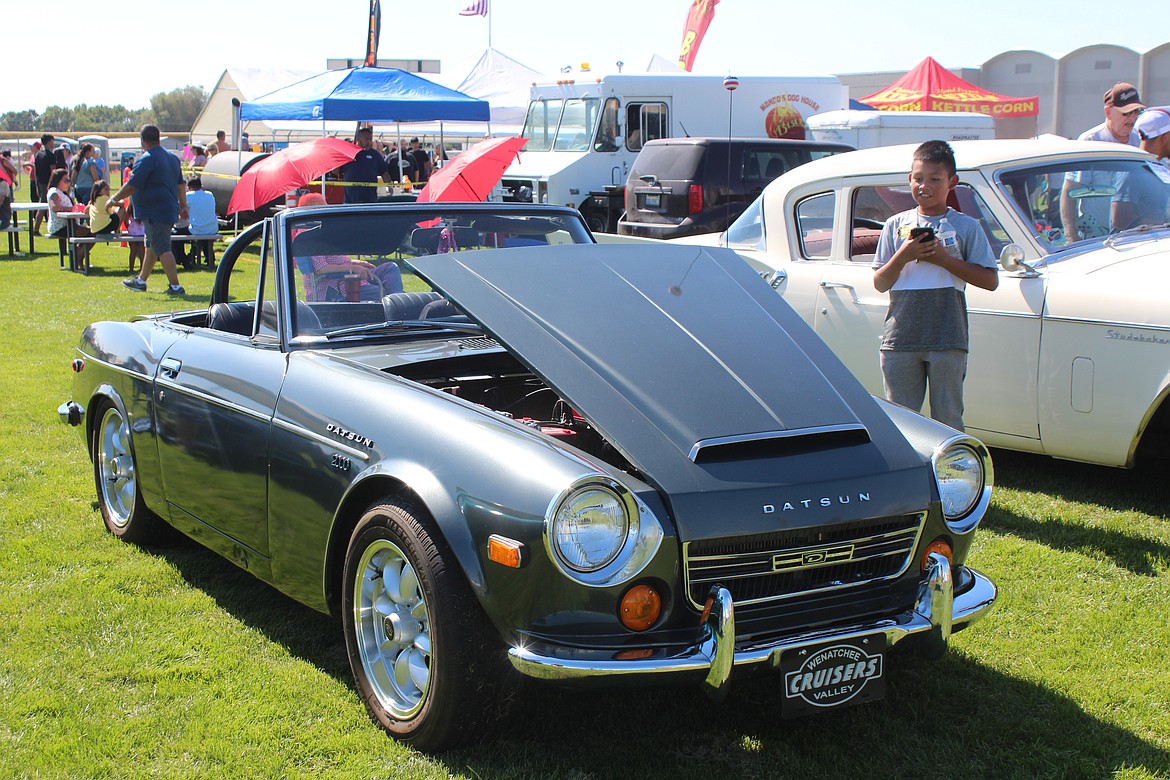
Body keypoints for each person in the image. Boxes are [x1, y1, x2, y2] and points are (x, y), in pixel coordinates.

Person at [871, 140, 999, 432]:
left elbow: (990, 280)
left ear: (952, 182)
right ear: (909, 179)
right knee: (901, 421)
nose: (924, 186)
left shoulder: (967, 227)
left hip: (948, 337)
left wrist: (943, 259)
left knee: (948, 420)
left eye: (935, 179)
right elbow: (880, 283)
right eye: (918, 178)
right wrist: (904, 255)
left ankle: (951, 475)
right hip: (900, 339)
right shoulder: (894, 225)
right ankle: (908, 476)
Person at [1061, 82, 1146, 241]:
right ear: (1108, 112)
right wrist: (1070, 235)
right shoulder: (1090, 141)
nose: (1133, 118)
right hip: (1094, 237)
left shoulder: (1138, 141)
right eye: (1126, 113)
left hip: (1132, 234)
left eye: (1136, 111)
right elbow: (1069, 191)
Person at [111, 124, 188, 295]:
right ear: (158, 138)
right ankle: (141, 281)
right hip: (168, 208)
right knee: (152, 246)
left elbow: (132, 186)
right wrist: (183, 205)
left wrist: (114, 199)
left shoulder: (146, 159)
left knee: (163, 248)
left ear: (143, 140)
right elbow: (180, 184)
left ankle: (175, 286)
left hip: (155, 211)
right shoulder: (172, 158)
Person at [1111, 108, 1170, 231]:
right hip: (1132, 246)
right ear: (1164, 138)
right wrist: (1161, 222)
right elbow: (1119, 218)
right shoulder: (1131, 171)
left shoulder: (1160, 167)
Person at [174, 176, 218, 268]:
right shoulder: (210, 194)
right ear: (201, 186)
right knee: (202, 228)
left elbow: (178, 210)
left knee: (176, 234)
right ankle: (208, 257)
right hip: (212, 228)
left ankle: (183, 259)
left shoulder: (188, 196)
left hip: (197, 230)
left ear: (189, 188)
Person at [342, 126, 389, 204]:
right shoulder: (348, 153)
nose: (369, 142)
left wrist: (390, 186)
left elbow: (384, 172)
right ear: (358, 138)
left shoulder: (375, 154)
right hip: (351, 201)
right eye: (366, 139)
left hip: (370, 200)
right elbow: (336, 172)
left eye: (370, 139)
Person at [33, 134, 56, 234]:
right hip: (48, 183)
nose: (53, 143)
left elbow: (35, 171)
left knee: (43, 205)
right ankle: (36, 229)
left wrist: (37, 185)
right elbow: (53, 171)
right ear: (49, 142)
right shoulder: (50, 155)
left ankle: (45, 227)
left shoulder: (38, 154)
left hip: (40, 183)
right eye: (52, 141)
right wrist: (53, 184)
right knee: (44, 206)